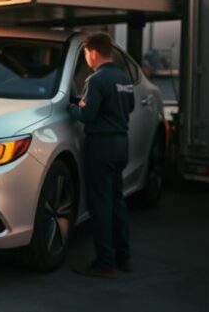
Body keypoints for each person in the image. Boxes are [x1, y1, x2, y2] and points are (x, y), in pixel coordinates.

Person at [69, 31, 135, 279]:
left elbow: (86, 115)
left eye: (86, 53)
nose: (86, 58)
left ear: (93, 52)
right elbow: (129, 107)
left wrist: (72, 108)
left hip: (101, 146)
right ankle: (124, 257)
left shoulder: (96, 80)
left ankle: (105, 262)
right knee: (117, 201)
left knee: (100, 205)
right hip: (121, 144)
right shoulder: (124, 78)